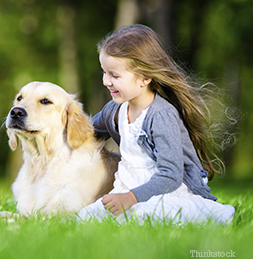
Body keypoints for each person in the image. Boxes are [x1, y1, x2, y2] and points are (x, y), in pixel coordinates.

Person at [77, 24, 235, 224]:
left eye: (114, 75)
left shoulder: (161, 116)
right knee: (86, 217)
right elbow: (86, 134)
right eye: (104, 72)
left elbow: (171, 176)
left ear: (144, 78)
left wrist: (130, 198)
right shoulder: (114, 111)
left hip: (170, 193)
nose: (106, 81)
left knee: (142, 217)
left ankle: (210, 213)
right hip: (128, 190)